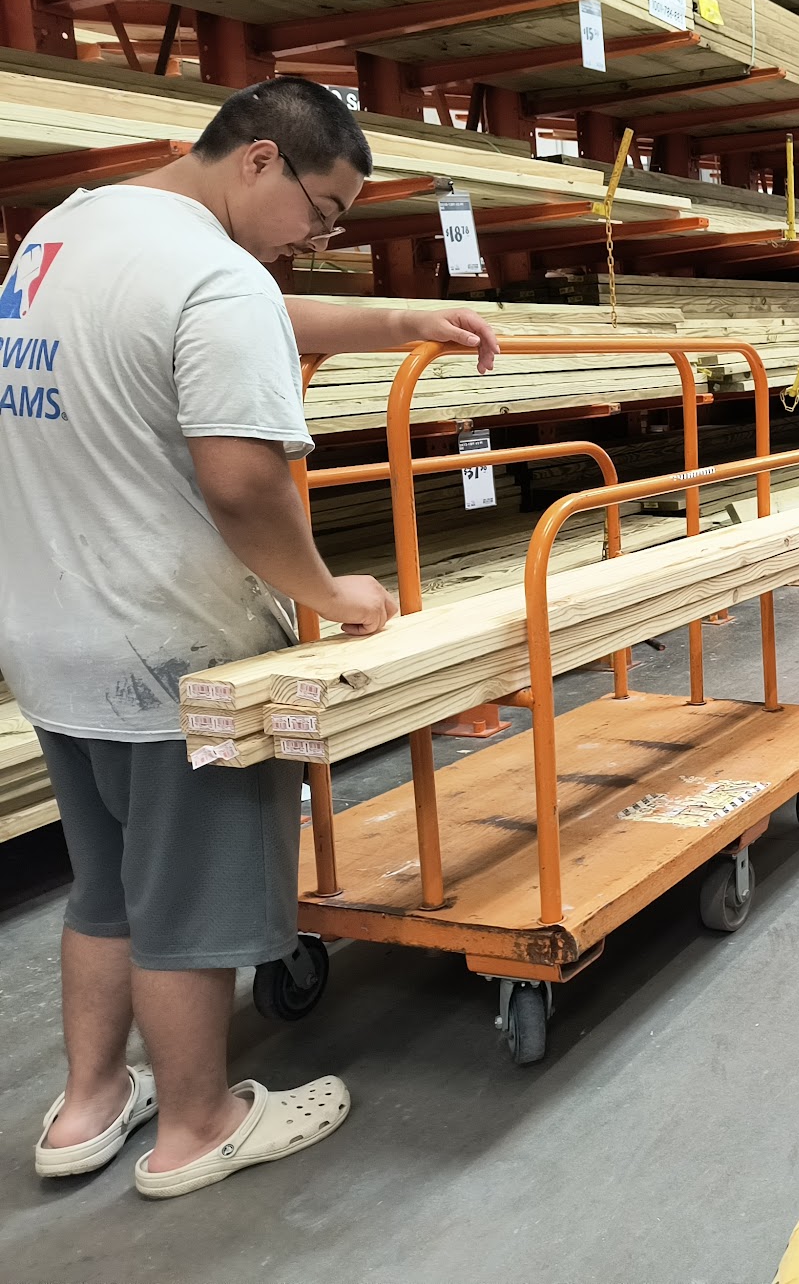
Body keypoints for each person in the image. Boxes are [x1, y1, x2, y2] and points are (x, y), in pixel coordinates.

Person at [0, 76, 499, 1198]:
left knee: (107, 890)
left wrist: (398, 322)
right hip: (174, 654)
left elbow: (219, 315)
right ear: (261, 160)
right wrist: (330, 590)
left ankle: (87, 1106)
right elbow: (242, 483)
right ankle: (197, 1126)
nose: (316, 241)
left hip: (49, 637)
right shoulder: (216, 277)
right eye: (322, 213)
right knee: (187, 907)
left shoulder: (73, 231)